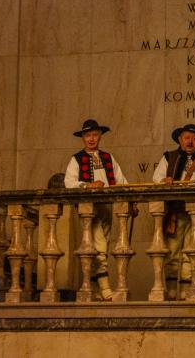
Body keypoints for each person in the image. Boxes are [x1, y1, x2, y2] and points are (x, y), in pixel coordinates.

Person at [64, 118, 128, 301]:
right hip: (88, 209)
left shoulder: (108, 158)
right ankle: (106, 289)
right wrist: (87, 185)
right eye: (87, 135)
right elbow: (69, 183)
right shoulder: (76, 159)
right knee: (99, 247)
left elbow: (122, 181)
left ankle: (94, 288)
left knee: (101, 247)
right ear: (82, 138)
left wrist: (131, 202)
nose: (91, 139)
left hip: (107, 207)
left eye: (94, 135)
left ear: (100, 136)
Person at [152, 123, 195, 300]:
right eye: (187, 138)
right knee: (172, 253)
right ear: (180, 139)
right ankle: (172, 291)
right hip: (175, 212)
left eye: (194, 138)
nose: (190, 141)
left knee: (191, 252)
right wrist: (165, 180)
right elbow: (156, 178)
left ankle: (186, 292)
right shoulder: (169, 157)